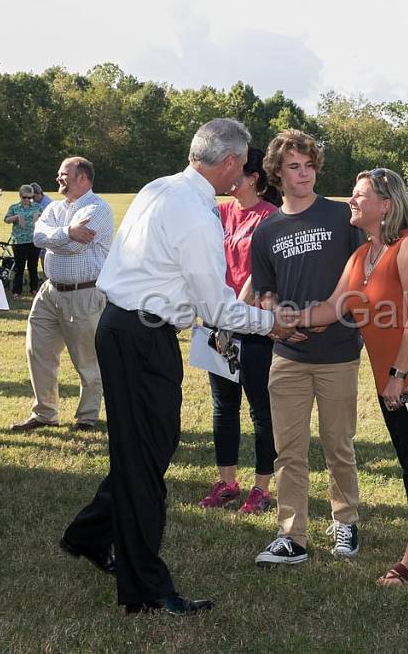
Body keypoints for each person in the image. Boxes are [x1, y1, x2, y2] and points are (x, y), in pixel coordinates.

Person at [60, 119, 296, 616]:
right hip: (143, 338)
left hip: (126, 329)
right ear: (230, 162)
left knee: (148, 446)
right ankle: (145, 589)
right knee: (146, 460)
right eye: (244, 160)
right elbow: (217, 308)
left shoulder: (159, 188)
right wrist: (272, 324)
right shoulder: (196, 213)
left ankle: (88, 533)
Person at [301, 167, 408, 585]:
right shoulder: (361, 257)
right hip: (392, 377)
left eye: (359, 195)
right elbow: (332, 308)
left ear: (386, 205)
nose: (351, 201)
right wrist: (280, 318)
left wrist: (398, 374)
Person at [250, 129, 366, 566]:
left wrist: (319, 316)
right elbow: (264, 291)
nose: (304, 174)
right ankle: (291, 535)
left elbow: (359, 280)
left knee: (339, 445)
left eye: (309, 165)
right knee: (289, 450)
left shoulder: (341, 218)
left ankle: (346, 521)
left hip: (337, 352)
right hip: (288, 358)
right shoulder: (268, 232)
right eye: (294, 167)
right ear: (278, 174)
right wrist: (277, 320)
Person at [197, 148, 281, 513]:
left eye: (238, 171)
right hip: (217, 321)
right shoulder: (220, 211)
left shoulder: (271, 217)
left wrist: (234, 312)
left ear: (254, 178)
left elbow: (259, 275)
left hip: (252, 325)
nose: (229, 176)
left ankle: (261, 488)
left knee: (261, 410)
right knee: (223, 406)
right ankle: (227, 482)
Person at [11, 158, 112, 433]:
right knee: (38, 351)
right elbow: (37, 237)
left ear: (82, 178)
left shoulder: (98, 209)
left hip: (84, 293)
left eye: (64, 175)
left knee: (86, 359)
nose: (58, 179)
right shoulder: (55, 207)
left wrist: (55, 238)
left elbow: (75, 249)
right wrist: (67, 232)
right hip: (50, 291)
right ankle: (44, 413)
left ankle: (87, 417)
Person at [2, 184, 43, 299]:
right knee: (19, 267)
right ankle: (17, 291)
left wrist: (39, 217)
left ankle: (34, 289)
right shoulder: (14, 207)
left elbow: (46, 218)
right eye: (25, 197)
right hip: (19, 241)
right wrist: (16, 217)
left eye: (30, 197)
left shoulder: (37, 207)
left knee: (33, 266)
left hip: (34, 241)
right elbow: (6, 219)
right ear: (20, 196)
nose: (27, 200)